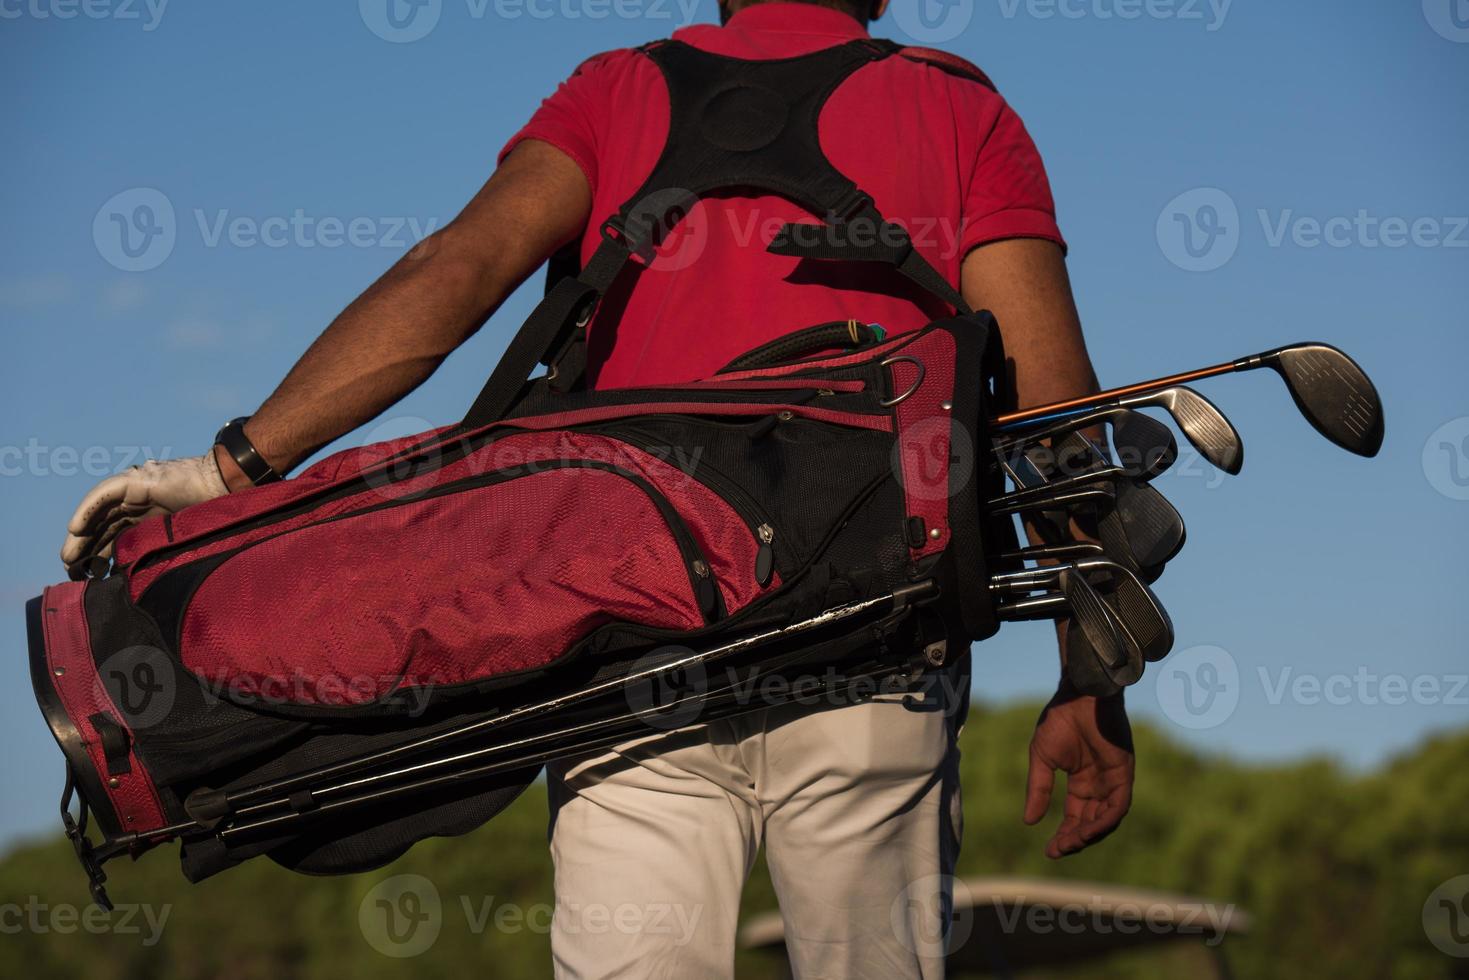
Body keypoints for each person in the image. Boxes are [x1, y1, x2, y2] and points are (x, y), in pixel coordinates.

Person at [60, 0, 1134, 975]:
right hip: (870, 640)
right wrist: (1091, 674)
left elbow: (453, 274)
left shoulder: (619, 89)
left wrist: (230, 468)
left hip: (623, 646)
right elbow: (1052, 410)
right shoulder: (953, 105)